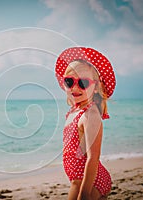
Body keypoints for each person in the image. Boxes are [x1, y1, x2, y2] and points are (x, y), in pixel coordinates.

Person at [55, 47, 116, 200]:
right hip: (76, 181)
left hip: (91, 181)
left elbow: (93, 157)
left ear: (96, 87)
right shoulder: (74, 111)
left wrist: (84, 193)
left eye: (83, 83)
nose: (75, 87)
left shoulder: (90, 115)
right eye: (69, 81)